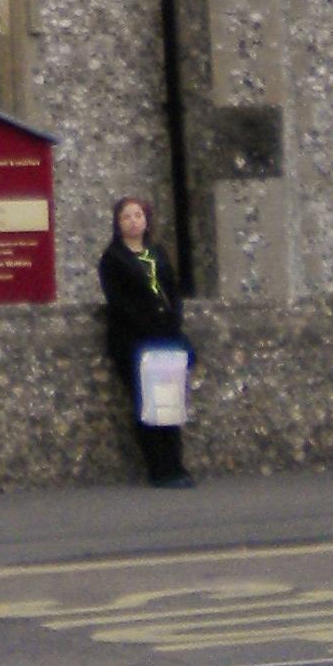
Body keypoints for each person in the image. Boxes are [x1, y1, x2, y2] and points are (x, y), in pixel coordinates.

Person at [99, 193, 193, 485]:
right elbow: (119, 303)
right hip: (134, 341)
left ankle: (176, 465)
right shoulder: (113, 259)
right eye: (126, 217)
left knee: (170, 402)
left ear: (146, 220)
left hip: (164, 338)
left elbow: (171, 291)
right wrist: (150, 325)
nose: (133, 221)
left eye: (138, 215)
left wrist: (172, 322)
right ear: (117, 223)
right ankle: (159, 468)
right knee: (147, 404)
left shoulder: (157, 253)